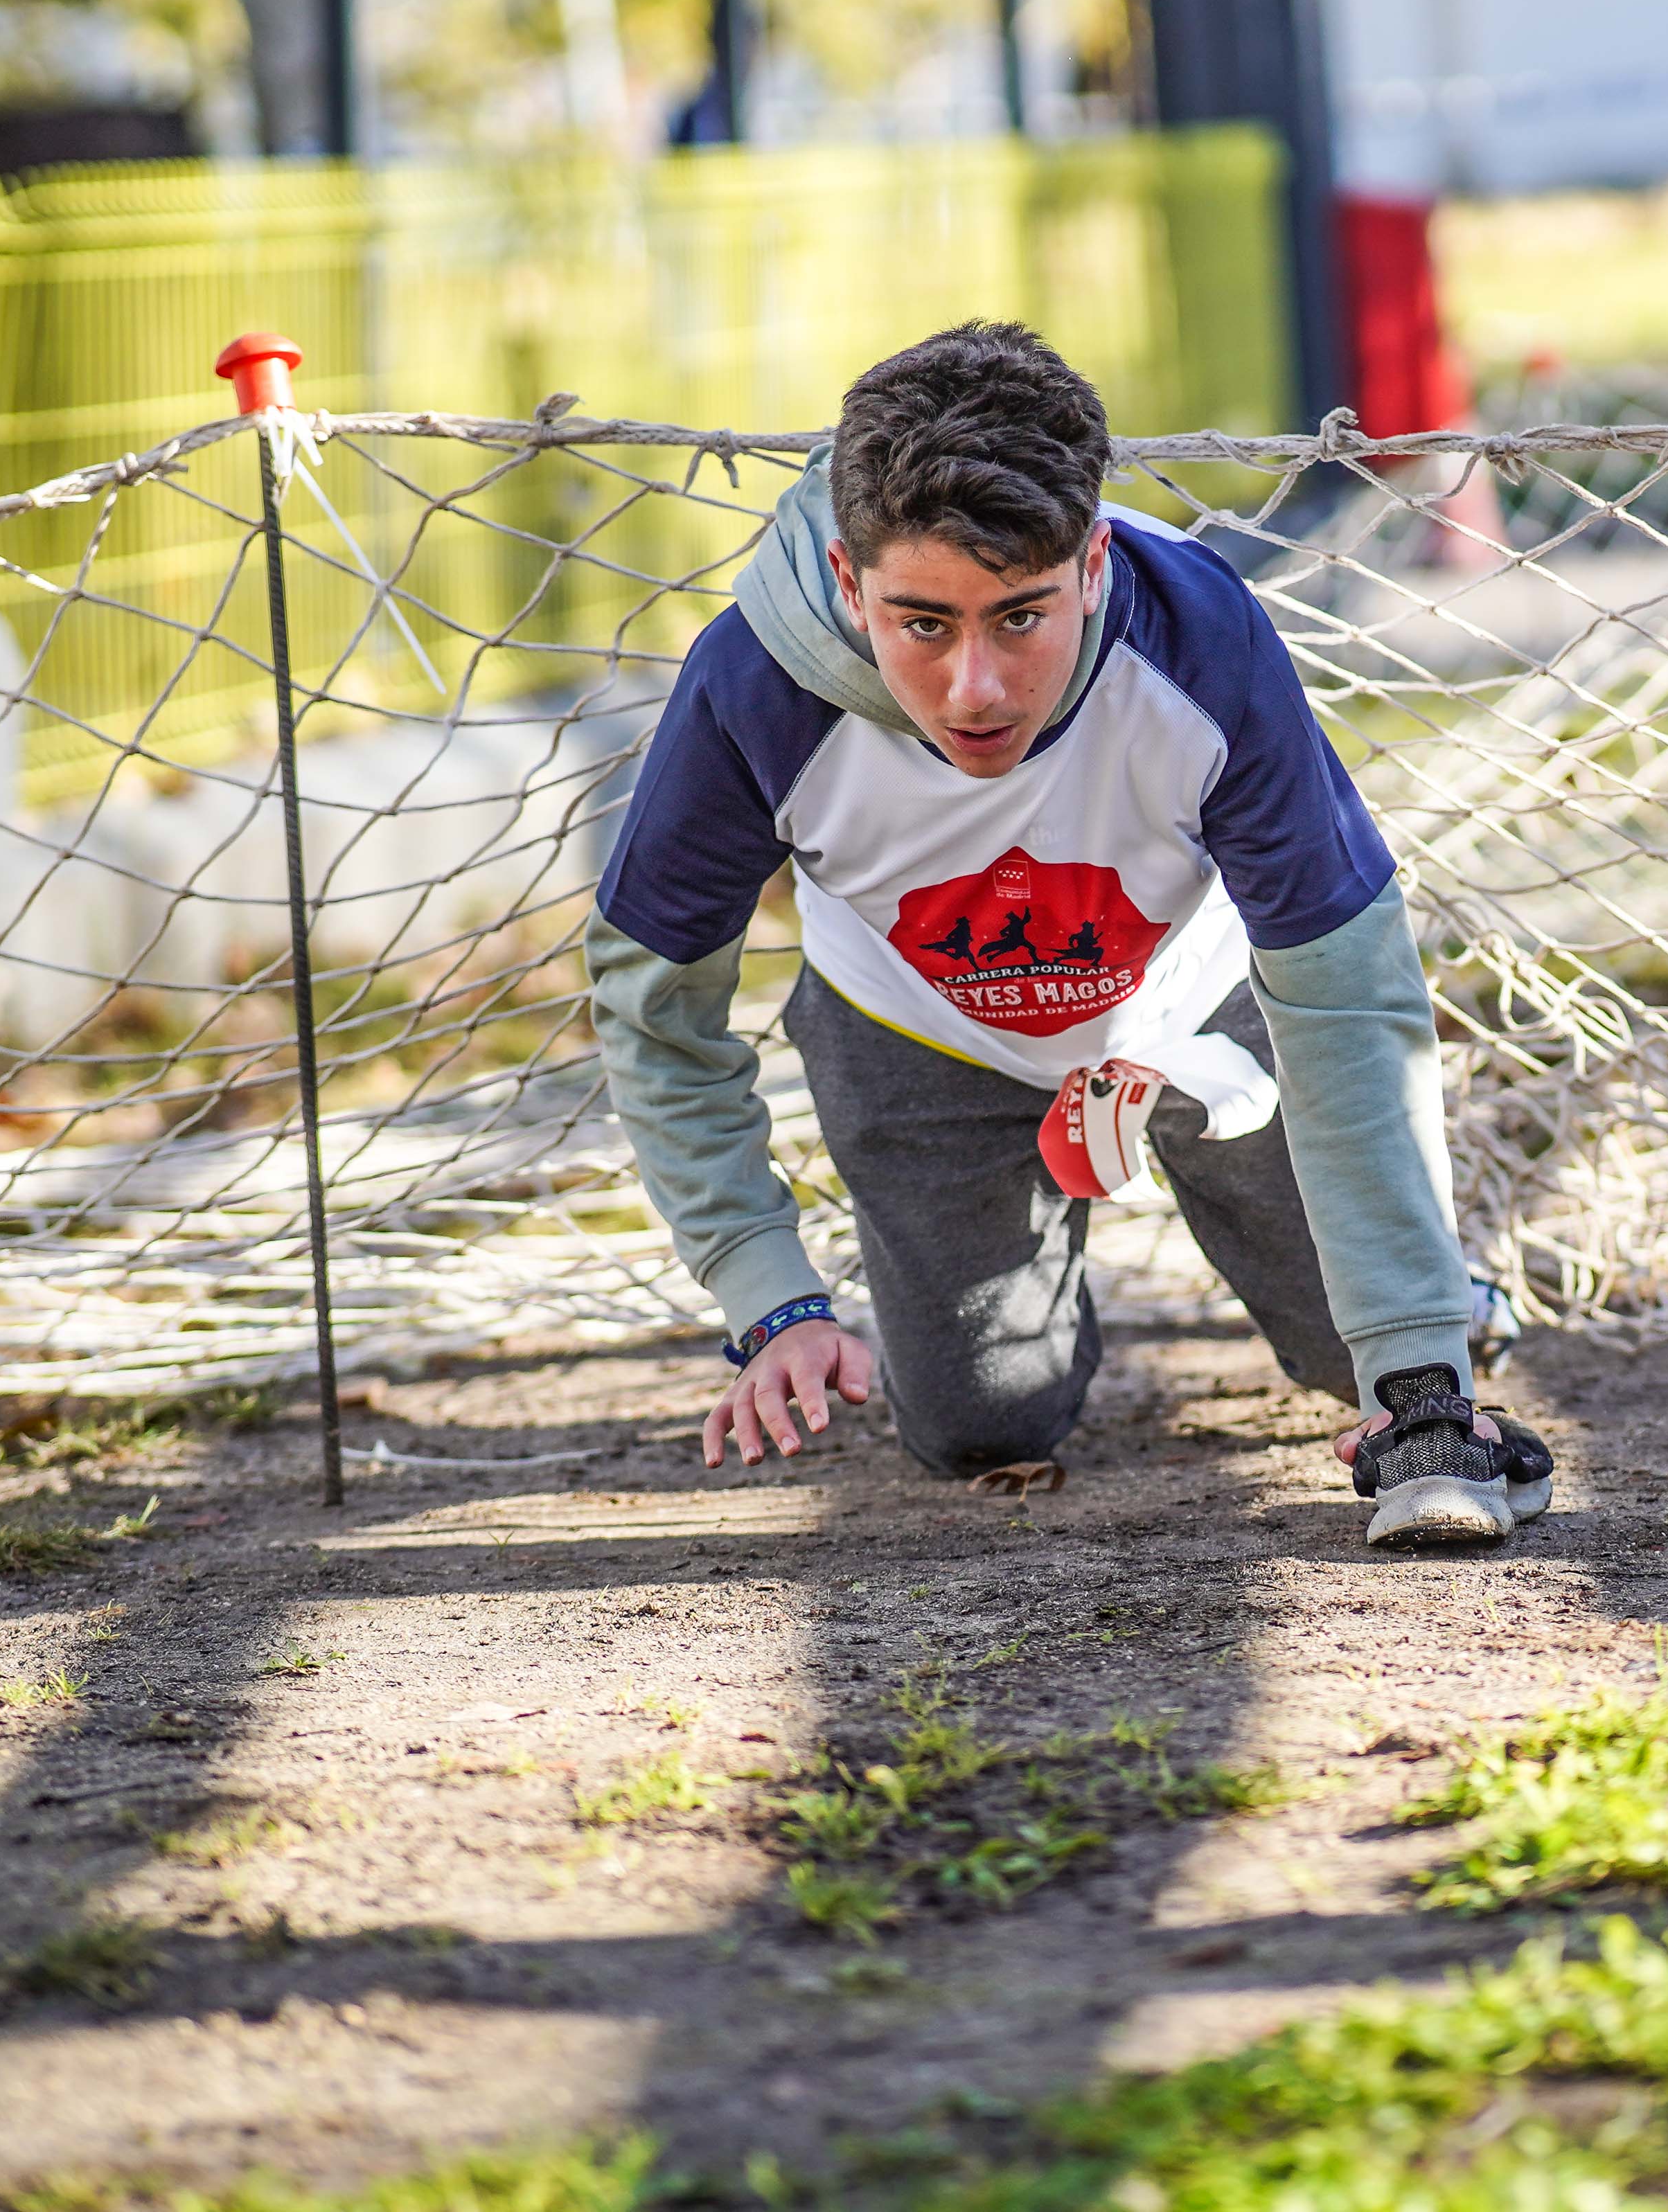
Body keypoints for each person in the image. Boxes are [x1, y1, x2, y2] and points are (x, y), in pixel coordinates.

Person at [587, 323, 1554, 1550]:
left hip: (1192, 1008)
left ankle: (1402, 1290)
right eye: (922, 624)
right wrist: (768, 1295)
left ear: (1094, 564)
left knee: (1367, 1349)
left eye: (1021, 617)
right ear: (846, 581)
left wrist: (1419, 1385)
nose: (975, 687)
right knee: (982, 1425)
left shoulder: (1202, 640)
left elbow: (1347, 986)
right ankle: (1018, 1263)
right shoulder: (752, 687)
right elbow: (649, 1004)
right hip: (916, 1030)